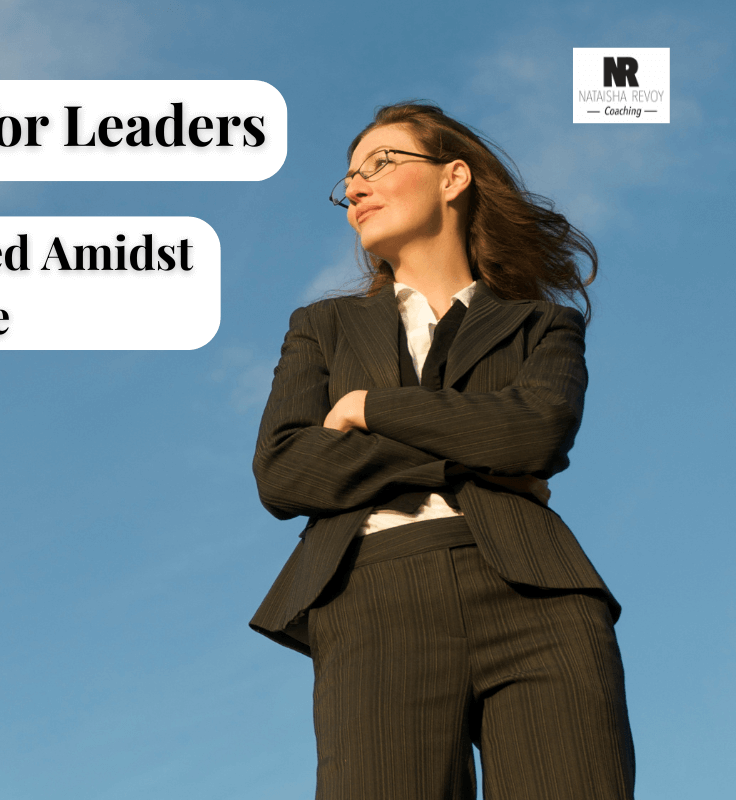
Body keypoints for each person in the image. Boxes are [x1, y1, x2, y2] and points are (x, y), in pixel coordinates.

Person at [249, 101, 634, 800]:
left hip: (538, 596)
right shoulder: (323, 328)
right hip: (375, 597)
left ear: (453, 178)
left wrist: (373, 409)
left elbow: (534, 432)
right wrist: (474, 449)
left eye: (381, 164)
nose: (356, 189)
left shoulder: (541, 325)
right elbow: (283, 472)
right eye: (348, 182)